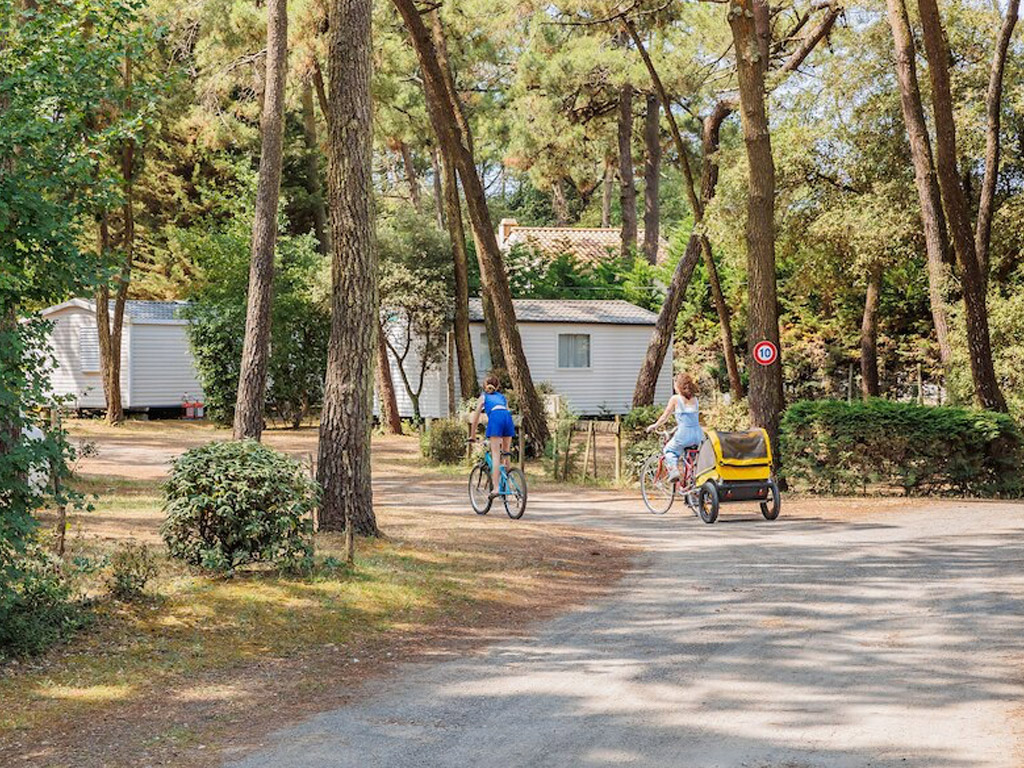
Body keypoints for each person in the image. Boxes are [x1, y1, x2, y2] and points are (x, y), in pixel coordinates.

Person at [646, 372, 703, 482]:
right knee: (692, 459)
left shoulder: (675, 399)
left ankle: (674, 471)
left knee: (669, 450)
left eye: (674, 384)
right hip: (697, 434)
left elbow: (665, 417)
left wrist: (655, 425)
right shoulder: (695, 399)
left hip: (684, 435)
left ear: (678, 386)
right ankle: (692, 481)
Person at [470, 374, 516, 498]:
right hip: (507, 418)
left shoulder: (483, 397)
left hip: (495, 419)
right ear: (498, 386)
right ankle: (506, 484)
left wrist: (472, 435)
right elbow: (506, 410)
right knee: (505, 453)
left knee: (495, 455)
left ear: (485, 386)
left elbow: (475, 418)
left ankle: (496, 488)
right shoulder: (502, 397)